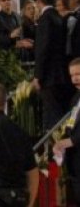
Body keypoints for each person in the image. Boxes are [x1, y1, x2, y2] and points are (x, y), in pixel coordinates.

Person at [34, 0, 74, 130]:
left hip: (49, 77)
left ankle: (53, 144)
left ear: (39, 1)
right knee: (59, 114)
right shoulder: (58, 17)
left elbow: (43, 49)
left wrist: (37, 76)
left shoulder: (45, 19)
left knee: (51, 117)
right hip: (61, 75)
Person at [53, 58, 80, 202]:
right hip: (75, 164)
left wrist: (70, 141)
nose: (75, 79)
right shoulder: (75, 99)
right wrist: (61, 141)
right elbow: (71, 124)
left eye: (78, 74)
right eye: (72, 75)